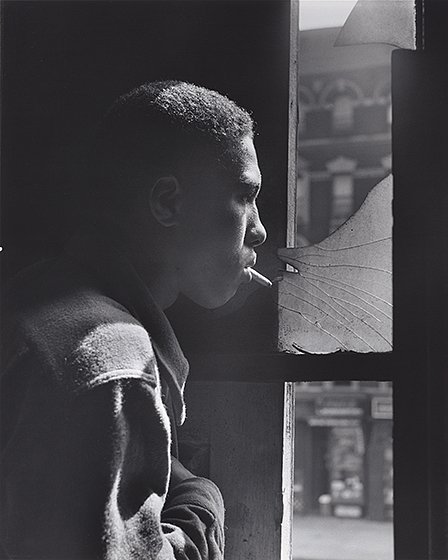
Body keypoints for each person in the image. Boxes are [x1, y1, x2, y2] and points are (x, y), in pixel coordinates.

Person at [1, 81, 266, 560]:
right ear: (167, 202)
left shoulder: (33, 296)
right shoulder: (113, 363)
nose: (260, 229)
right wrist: (203, 501)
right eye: (245, 196)